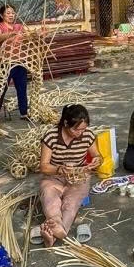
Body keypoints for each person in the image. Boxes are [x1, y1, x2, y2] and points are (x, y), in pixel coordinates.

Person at [38, 104, 102, 245]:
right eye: (76, 129)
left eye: (83, 129)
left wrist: (97, 161)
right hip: (54, 177)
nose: (80, 133)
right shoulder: (51, 136)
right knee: (50, 197)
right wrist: (59, 169)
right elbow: (43, 166)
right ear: (66, 123)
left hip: (78, 177)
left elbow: (97, 155)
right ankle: (56, 224)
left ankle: (55, 233)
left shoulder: (88, 135)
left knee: (71, 203)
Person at [0, 3, 31, 120]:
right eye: (8, 13)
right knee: (1, 88)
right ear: (1, 15)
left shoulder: (19, 26)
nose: (11, 15)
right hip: (5, 63)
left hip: (19, 61)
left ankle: (24, 113)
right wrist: (11, 34)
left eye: (13, 13)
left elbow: (28, 37)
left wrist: (39, 33)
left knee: (22, 88)